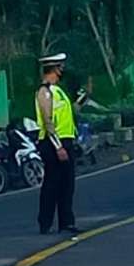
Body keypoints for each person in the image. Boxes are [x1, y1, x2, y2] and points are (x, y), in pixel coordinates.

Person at [35, 52, 78, 236]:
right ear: (54, 69)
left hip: (65, 140)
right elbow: (48, 121)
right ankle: (45, 222)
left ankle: (66, 222)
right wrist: (58, 146)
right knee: (52, 184)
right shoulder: (45, 92)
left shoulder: (58, 91)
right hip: (53, 143)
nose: (62, 70)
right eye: (60, 67)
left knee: (67, 184)